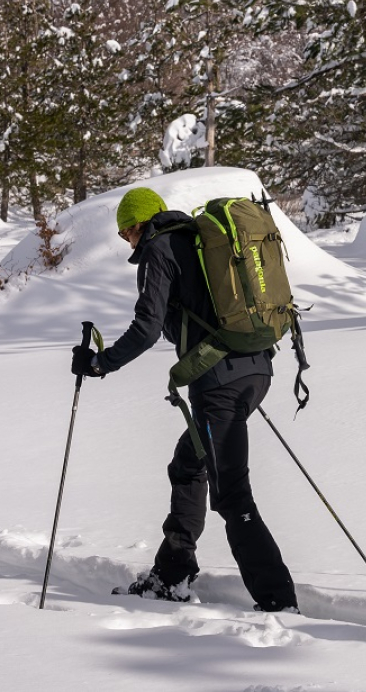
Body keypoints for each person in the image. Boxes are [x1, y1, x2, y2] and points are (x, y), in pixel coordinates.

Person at [70, 186, 299, 613]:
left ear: (139, 224)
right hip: (256, 369)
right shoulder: (197, 238)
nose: (127, 241)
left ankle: (277, 600)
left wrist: (101, 364)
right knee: (188, 464)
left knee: (231, 494)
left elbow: (147, 328)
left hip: (219, 384)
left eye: (126, 233)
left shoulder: (160, 249)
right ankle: (172, 574)